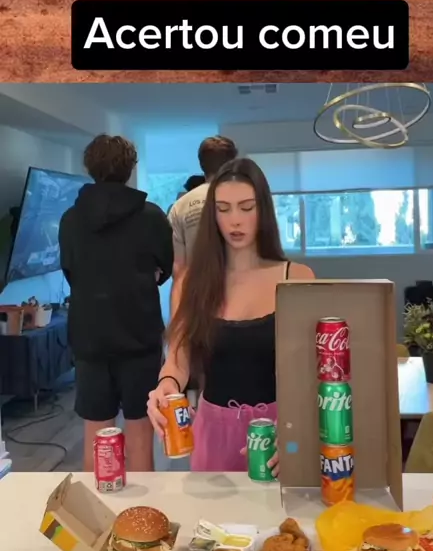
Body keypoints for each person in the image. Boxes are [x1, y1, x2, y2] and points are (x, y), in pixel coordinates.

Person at [147, 157, 314, 474]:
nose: (235, 220)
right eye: (223, 209)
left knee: (281, 507)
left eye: (246, 207)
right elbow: (178, 358)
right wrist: (166, 385)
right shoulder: (192, 281)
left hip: (281, 432)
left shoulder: (297, 277)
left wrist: (299, 428)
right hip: (213, 433)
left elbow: (311, 369)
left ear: (263, 210)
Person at [59, 134, 174, 472]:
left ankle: (94, 504)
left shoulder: (70, 219)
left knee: (96, 438)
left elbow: (71, 271)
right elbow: (165, 267)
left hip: (90, 339)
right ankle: (143, 505)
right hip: (139, 337)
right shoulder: (151, 216)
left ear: (89, 167)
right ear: (130, 168)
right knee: (140, 433)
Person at [168, 136, 238, 284]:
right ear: (233, 164)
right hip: (240, 289)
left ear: (201, 164)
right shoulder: (248, 201)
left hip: (197, 291)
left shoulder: (180, 206)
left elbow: (178, 267)